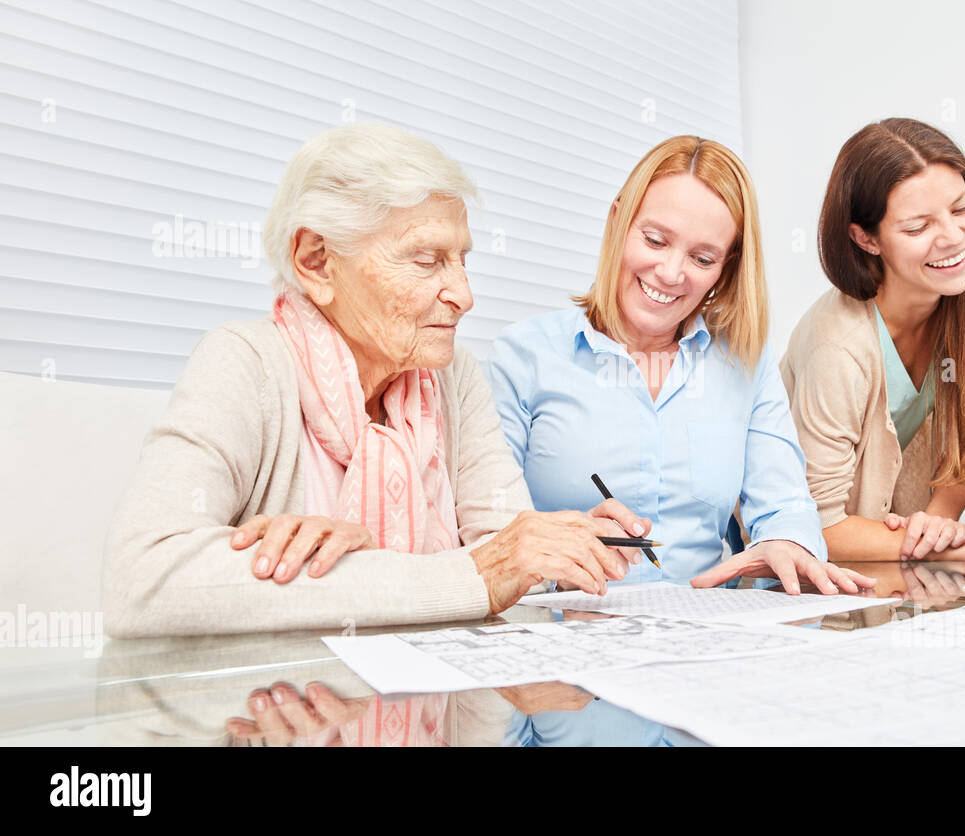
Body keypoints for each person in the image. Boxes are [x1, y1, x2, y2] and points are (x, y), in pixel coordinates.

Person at [103, 124, 643, 638]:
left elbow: (504, 555)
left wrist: (559, 553)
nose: (464, 294)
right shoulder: (245, 363)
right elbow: (142, 581)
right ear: (316, 260)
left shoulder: (453, 377)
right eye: (427, 259)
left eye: (462, 260)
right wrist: (473, 574)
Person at [488, 135, 874, 745]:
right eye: (655, 239)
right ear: (619, 222)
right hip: (559, 682)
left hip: (707, 672)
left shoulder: (744, 364)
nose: (671, 273)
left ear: (727, 267)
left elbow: (785, 505)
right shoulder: (522, 356)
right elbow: (482, 538)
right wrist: (561, 548)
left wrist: (784, 545)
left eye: (702, 256)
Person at [781, 118, 965, 564]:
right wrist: (954, 550)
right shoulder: (837, 344)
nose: (954, 239)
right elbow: (815, 524)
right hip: (807, 568)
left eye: (960, 210)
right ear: (865, 238)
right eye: (918, 228)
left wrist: (939, 525)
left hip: (888, 569)